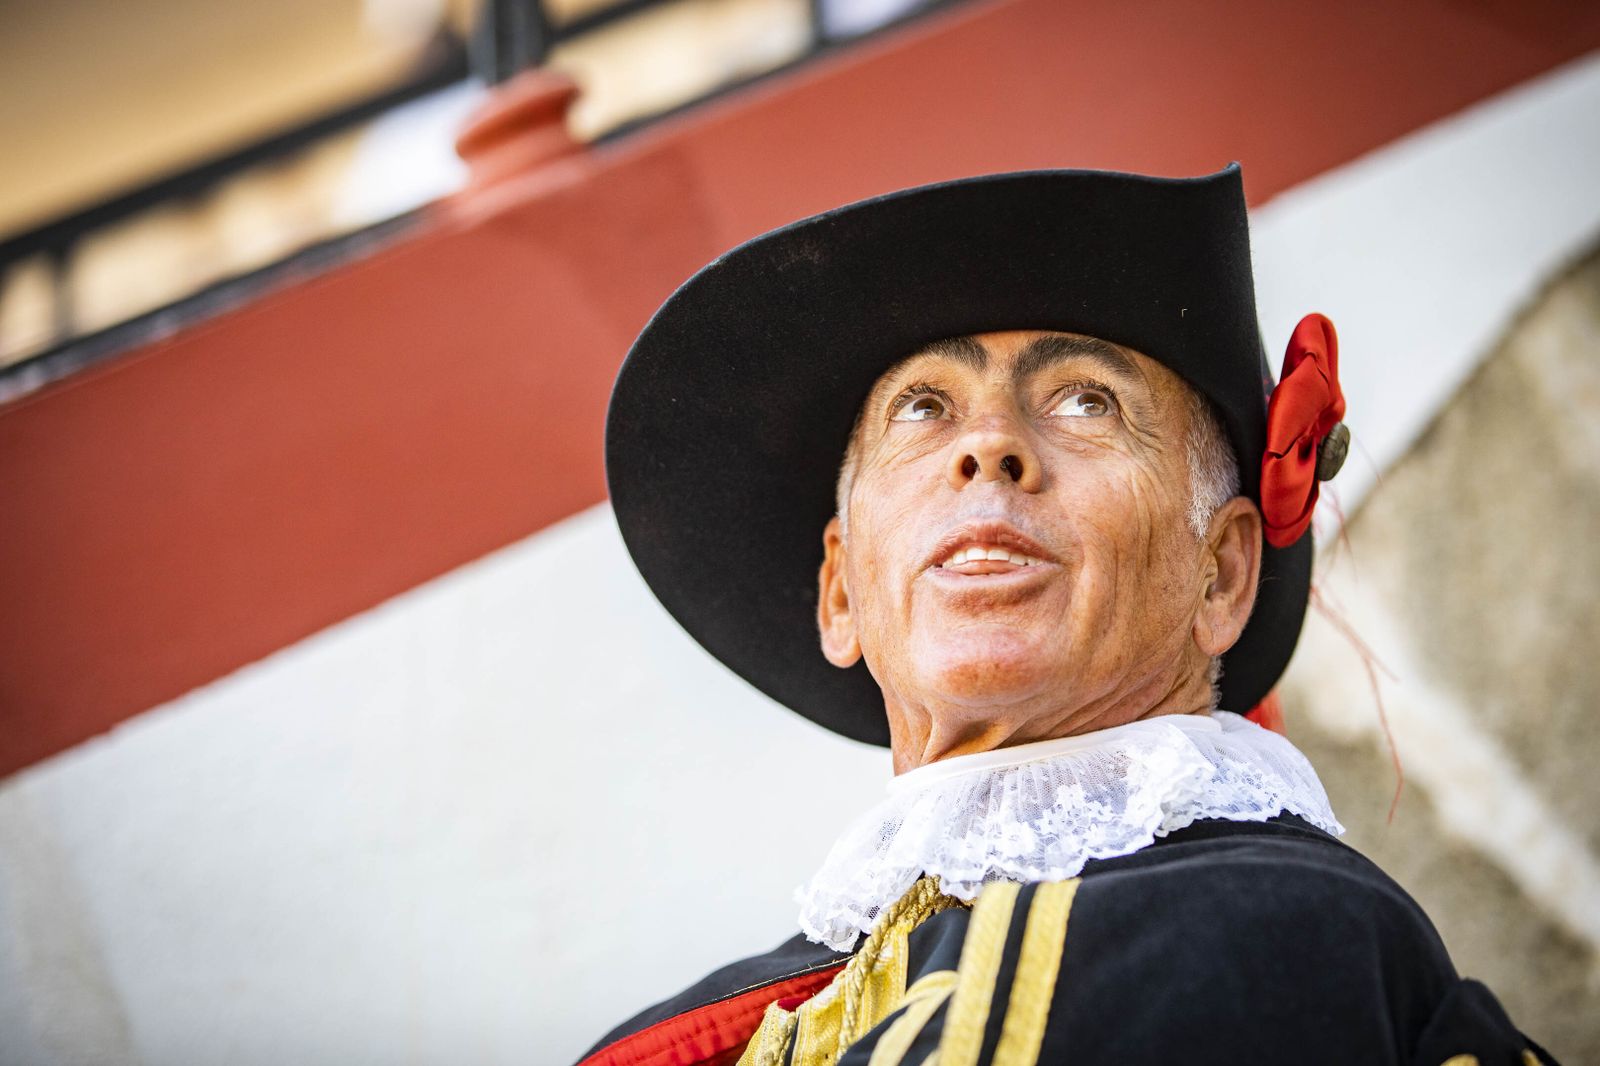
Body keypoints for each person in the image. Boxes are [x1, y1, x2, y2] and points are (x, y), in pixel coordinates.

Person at [582, 166, 1555, 1065]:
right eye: (922, 408)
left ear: (1219, 572)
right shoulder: (751, 1015)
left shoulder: (1289, 926)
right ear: (840, 594)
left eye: (1086, 401)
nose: (990, 446)